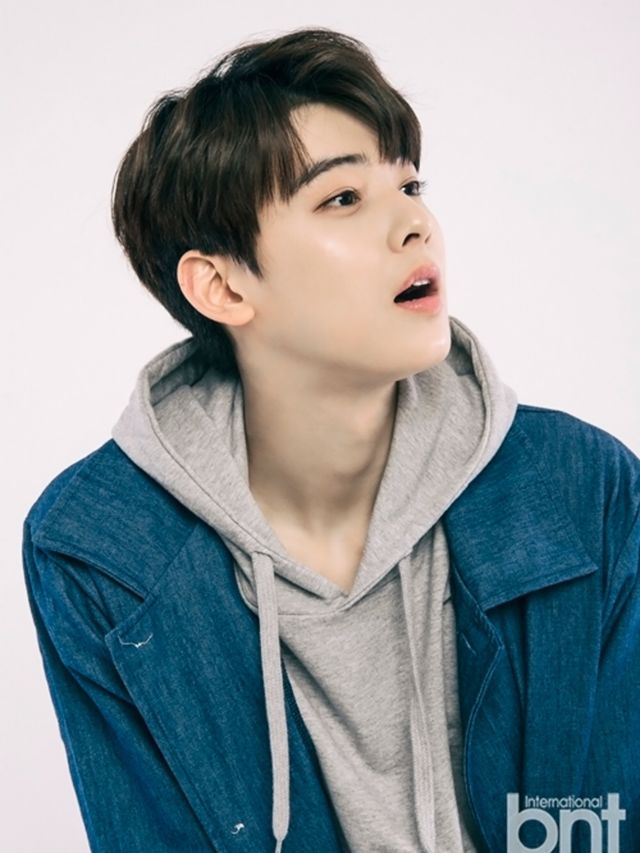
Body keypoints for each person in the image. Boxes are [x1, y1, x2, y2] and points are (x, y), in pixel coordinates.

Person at [21, 25, 639, 853]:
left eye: (410, 183)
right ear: (222, 285)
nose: (415, 223)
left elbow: (602, 825)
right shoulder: (100, 548)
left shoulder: (581, 489)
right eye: (343, 198)